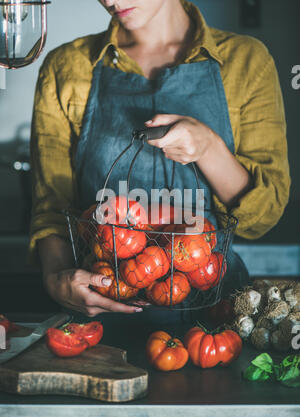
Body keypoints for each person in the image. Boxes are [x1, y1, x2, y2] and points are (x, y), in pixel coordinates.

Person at [29, 0, 290, 327]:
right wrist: (56, 279)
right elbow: (52, 206)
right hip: (100, 316)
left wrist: (209, 149)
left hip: (218, 319)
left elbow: (263, 217)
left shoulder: (247, 62)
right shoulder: (66, 66)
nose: (110, 0)